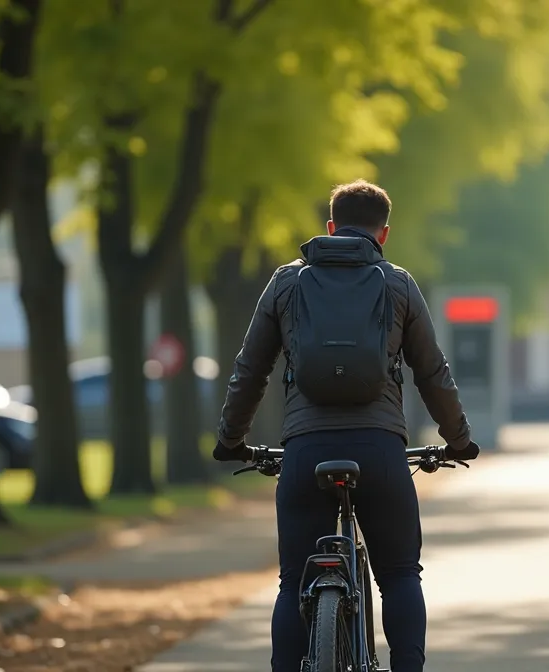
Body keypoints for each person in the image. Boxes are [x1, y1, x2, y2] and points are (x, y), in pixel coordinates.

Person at [212, 179, 479, 672]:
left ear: (331, 227)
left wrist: (231, 440)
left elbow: (250, 370)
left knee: (293, 582)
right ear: (384, 234)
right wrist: (458, 439)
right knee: (399, 574)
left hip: (305, 450)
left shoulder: (286, 283)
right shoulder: (398, 284)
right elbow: (432, 372)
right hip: (380, 449)